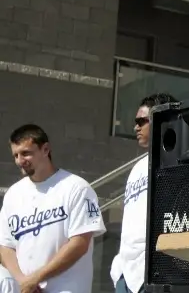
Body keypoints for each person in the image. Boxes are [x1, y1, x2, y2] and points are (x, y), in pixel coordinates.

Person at [0, 124, 106, 293]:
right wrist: (24, 282)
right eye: (16, 155)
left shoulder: (76, 188)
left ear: (45, 149)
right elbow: (5, 247)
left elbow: (79, 243)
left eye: (26, 153)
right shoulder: (13, 194)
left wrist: (36, 278)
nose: (20, 160)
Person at [110, 93, 177, 293]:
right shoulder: (137, 167)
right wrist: (118, 268)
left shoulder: (175, 163)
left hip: (154, 271)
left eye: (142, 121)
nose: (136, 127)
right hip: (124, 273)